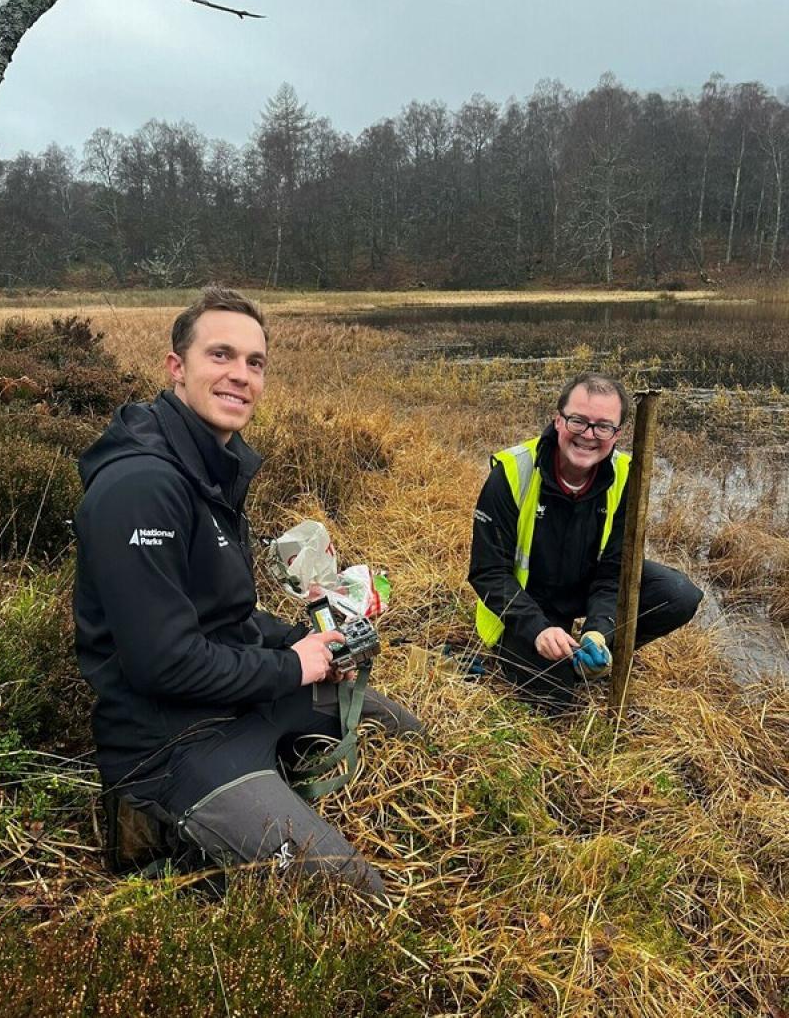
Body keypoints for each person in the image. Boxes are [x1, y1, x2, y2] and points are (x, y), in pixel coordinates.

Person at [74, 286, 421, 897]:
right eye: (221, 356)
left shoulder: (212, 467)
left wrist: (317, 645)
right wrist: (293, 666)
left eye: (254, 363)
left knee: (403, 733)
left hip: (241, 703)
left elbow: (229, 615)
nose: (240, 376)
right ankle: (177, 837)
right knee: (353, 896)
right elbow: (163, 662)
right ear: (177, 368)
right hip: (172, 745)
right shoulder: (141, 487)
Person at [468, 371, 703, 713]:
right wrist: (537, 629)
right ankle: (548, 661)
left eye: (603, 426)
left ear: (617, 434)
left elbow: (614, 571)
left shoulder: (627, 476)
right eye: (578, 421)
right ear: (558, 420)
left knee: (678, 594)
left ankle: (591, 653)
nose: (589, 435)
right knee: (556, 702)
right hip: (526, 603)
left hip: (584, 588)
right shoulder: (512, 471)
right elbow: (488, 571)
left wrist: (598, 630)